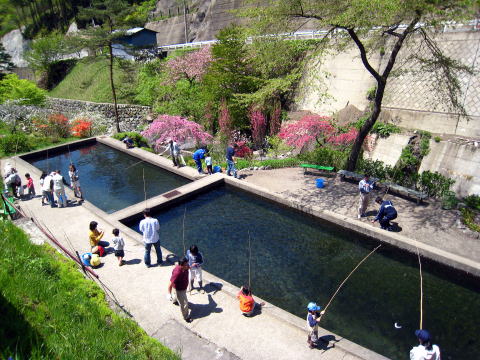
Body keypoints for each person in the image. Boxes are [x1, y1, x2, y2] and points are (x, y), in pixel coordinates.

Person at [167, 257, 192, 323]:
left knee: (176, 296)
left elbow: (188, 267)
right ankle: (186, 316)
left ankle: (174, 301)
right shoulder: (177, 273)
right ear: (181, 265)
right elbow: (170, 283)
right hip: (179, 289)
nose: (188, 265)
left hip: (182, 287)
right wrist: (169, 293)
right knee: (184, 303)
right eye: (186, 264)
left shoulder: (185, 267)